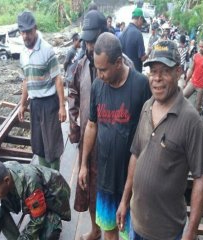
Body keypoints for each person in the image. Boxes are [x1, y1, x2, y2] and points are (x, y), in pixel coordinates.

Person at [116, 40, 203, 240]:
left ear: (178, 72)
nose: (156, 79)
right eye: (153, 71)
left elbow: (201, 178)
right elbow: (135, 155)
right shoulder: (147, 106)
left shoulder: (191, 121)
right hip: (136, 223)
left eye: (164, 71)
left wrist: (191, 233)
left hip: (166, 232)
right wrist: (124, 201)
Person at [69, 11, 135, 240]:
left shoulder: (133, 75)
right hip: (97, 153)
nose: (88, 46)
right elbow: (83, 112)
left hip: (123, 162)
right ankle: (95, 230)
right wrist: (82, 158)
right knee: (94, 198)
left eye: (104, 70)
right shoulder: (87, 73)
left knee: (122, 216)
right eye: (86, 41)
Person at [79, 32, 151, 240]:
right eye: (96, 69)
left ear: (118, 62)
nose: (99, 74)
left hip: (132, 179)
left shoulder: (140, 86)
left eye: (103, 69)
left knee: (128, 232)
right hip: (105, 176)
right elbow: (92, 125)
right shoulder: (97, 86)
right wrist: (84, 164)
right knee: (108, 229)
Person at [17, 11, 66, 171]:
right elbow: (26, 80)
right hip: (35, 104)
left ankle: (55, 178)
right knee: (38, 143)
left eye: (29, 32)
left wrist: (62, 106)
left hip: (49, 104)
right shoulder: (23, 53)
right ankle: (44, 177)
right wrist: (22, 105)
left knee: (52, 144)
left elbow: (57, 79)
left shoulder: (47, 50)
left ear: (35, 29)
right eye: (23, 32)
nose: (26, 36)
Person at [0, 160, 71, 240]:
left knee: (49, 234)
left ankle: (54, 221)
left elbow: (38, 218)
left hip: (52, 197)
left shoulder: (30, 182)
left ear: (7, 180)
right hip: (30, 199)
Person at [183, 39, 203, 113]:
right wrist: (186, 81)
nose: (200, 48)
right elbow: (191, 70)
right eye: (199, 46)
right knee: (182, 97)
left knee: (197, 107)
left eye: (202, 47)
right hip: (193, 82)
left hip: (201, 87)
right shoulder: (195, 56)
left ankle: (196, 122)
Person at [119, 8, 148, 73]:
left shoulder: (123, 32)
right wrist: (149, 51)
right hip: (135, 74)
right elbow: (142, 58)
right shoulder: (138, 33)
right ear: (140, 18)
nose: (142, 25)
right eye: (142, 22)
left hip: (124, 73)